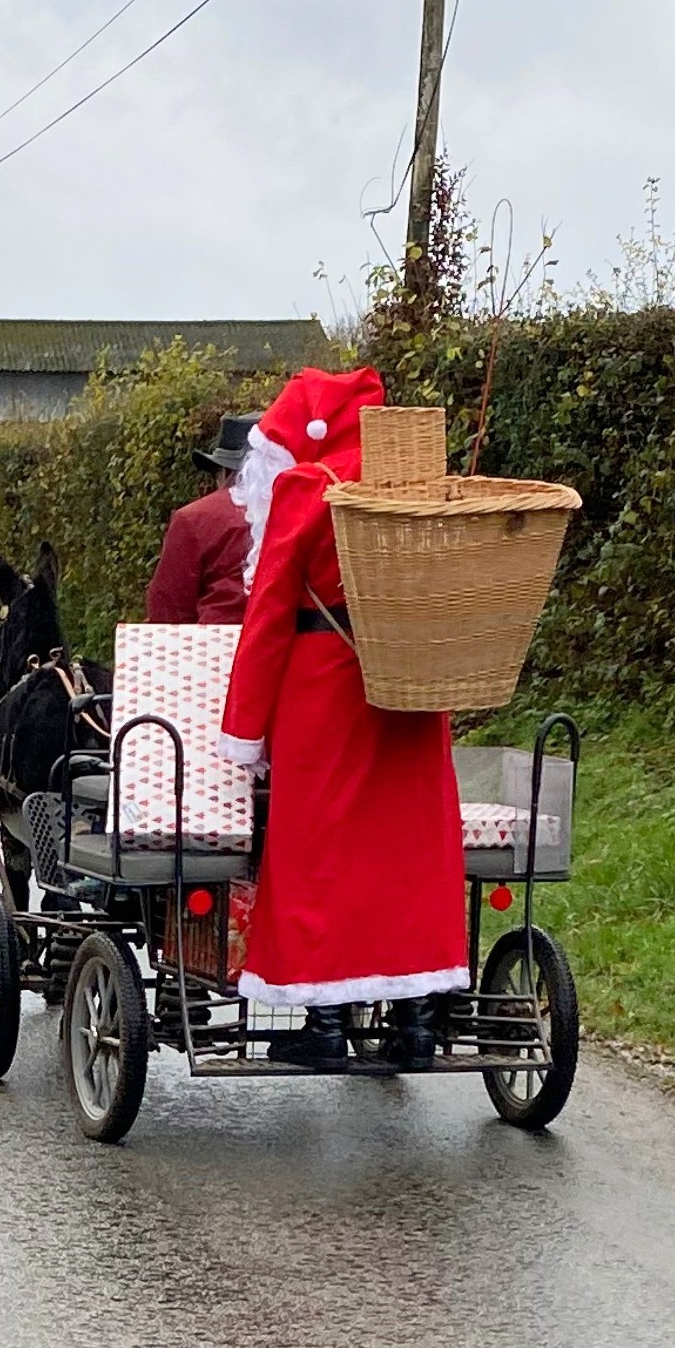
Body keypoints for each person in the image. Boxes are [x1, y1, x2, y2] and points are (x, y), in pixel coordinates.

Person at [216, 368, 467, 1070]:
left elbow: (268, 618)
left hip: (325, 693)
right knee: (408, 853)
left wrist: (244, 727)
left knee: (319, 854)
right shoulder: (412, 486)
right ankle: (417, 1024)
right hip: (411, 684)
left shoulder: (306, 488)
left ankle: (323, 1025)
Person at [144, 412, 259, 624]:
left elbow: (168, 609)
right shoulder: (314, 512)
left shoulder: (195, 519)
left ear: (224, 471)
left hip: (219, 649)